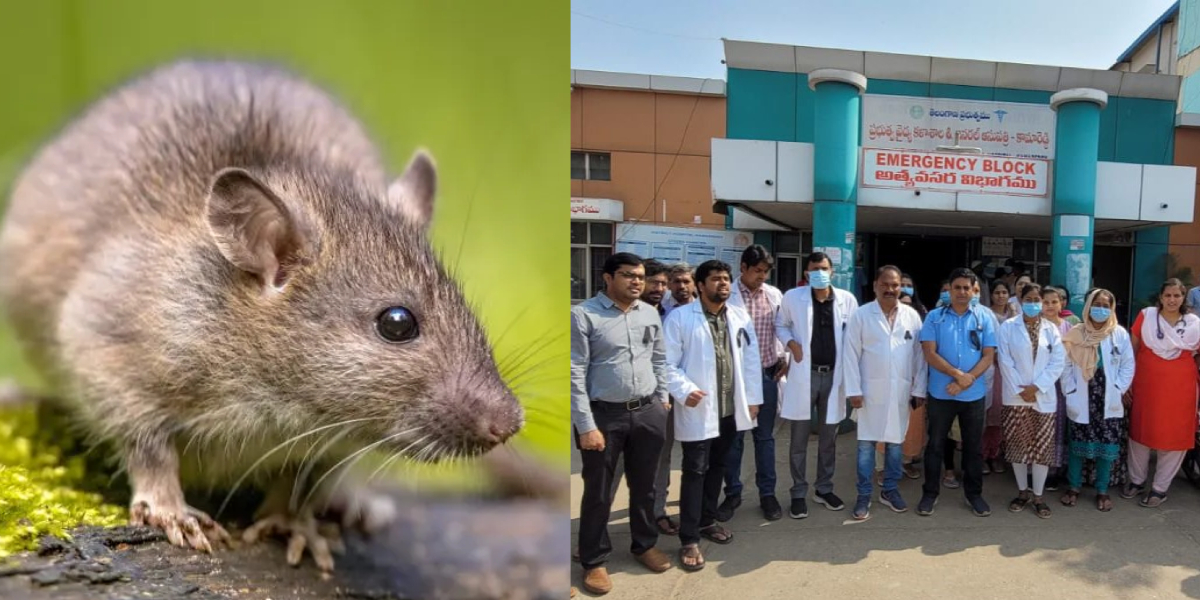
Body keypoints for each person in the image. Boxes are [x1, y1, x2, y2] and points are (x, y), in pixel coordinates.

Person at [571, 253, 673, 594]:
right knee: (598, 492)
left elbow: (659, 357)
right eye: (629, 275)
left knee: (645, 486)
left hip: (647, 412)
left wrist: (662, 398)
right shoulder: (584, 315)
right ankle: (594, 560)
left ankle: (644, 545)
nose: (637, 282)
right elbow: (574, 373)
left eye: (641, 276)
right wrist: (586, 425)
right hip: (604, 415)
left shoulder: (648, 312)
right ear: (608, 278)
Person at [663, 260, 762, 571]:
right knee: (695, 471)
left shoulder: (739, 316)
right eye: (716, 279)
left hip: (730, 409)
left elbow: (750, 359)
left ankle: (707, 521)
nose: (723, 283)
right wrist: (683, 389)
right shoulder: (680, 318)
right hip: (699, 407)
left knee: (718, 466)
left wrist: (754, 399)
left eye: (726, 279)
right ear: (699, 284)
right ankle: (689, 538)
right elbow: (665, 363)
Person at [775, 251, 859, 518]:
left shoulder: (847, 300)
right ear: (806, 273)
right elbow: (781, 324)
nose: (819, 273)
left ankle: (824, 488)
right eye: (814, 269)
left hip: (834, 375)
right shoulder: (793, 298)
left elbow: (855, 338)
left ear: (832, 272)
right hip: (805, 375)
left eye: (824, 268)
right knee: (799, 438)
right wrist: (791, 344)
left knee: (828, 438)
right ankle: (798, 492)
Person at [843, 266, 928, 520]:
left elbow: (919, 357)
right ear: (875, 286)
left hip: (901, 391)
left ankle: (890, 490)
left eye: (895, 285)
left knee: (895, 446)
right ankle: (863, 496)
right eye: (885, 284)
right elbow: (850, 355)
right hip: (869, 392)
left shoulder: (911, 316)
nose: (890, 289)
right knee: (866, 446)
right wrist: (854, 390)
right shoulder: (861, 315)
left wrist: (919, 389)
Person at [917, 267, 998, 517]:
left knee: (973, 447)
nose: (962, 292)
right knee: (935, 446)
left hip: (972, 394)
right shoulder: (934, 317)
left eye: (967, 288)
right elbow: (929, 353)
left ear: (974, 291)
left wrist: (968, 379)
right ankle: (929, 494)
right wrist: (957, 375)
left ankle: (974, 495)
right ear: (949, 290)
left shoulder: (984, 317)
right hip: (942, 393)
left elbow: (989, 355)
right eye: (957, 287)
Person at [721, 245, 787, 521]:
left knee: (765, 438)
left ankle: (767, 494)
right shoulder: (728, 296)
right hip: (736, 378)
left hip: (767, 375)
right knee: (734, 438)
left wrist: (784, 356)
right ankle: (733, 493)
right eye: (757, 271)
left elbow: (782, 328)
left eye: (766, 272)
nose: (762, 276)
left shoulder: (773, 295)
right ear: (743, 268)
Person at [1122, 278, 1200, 507]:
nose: (1172, 300)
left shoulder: (1194, 323)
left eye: (1177, 295)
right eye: (1168, 295)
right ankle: (1136, 481)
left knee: (1173, 436)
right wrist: (1127, 383)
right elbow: (1131, 351)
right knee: (1140, 431)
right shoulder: (1146, 316)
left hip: (1181, 388)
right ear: (1160, 297)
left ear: (1184, 298)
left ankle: (1160, 488)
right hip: (1146, 384)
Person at [1059, 288, 1135, 512]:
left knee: (1106, 446)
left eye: (1105, 305)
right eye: (1096, 304)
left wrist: (1119, 387)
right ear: (1088, 305)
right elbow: (1064, 366)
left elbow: (1128, 364)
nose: (1100, 309)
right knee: (1077, 446)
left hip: (1108, 398)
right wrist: (1070, 391)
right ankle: (1073, 487)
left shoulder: (1119, 333)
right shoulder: (1076, 332)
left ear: (1111, 308)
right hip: (1082, 396)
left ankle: (1102, 490)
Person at [997, 282, 1066, 519]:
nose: (1034, 304)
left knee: (1041, 449)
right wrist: (1022, 390)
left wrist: (1037, 387)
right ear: (1020, 300)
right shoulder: (1007, 327)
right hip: (1016, 397)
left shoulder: (1051, 329)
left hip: (1043, 396)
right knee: (1019, 446)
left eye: (1038, 300)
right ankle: (1022, 492)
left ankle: (1038, 496)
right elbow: (1004, 361)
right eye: (1030, 300)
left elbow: (1058, 362)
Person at [1039, 286, 1074, 491]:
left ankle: (1053, 471)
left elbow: (1070, 358)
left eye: (1054, 302)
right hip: (1038, 384)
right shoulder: (1035, 326)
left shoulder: (1069, 328)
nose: (1050, 306)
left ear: (1062, 304)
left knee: (1057, 426)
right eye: (1046, 302)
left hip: (1060, 385)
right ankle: (1033, 469)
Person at [983, 280, 1017, 474]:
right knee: (989, 413)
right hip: (990, 368)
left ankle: (995, 455)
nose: (1001, 296)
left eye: (1004, 292)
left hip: (1009, 372)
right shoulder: (986, 315)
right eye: (997, 292)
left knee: (1002, 414)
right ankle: (983, 454)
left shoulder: (1015, 315)